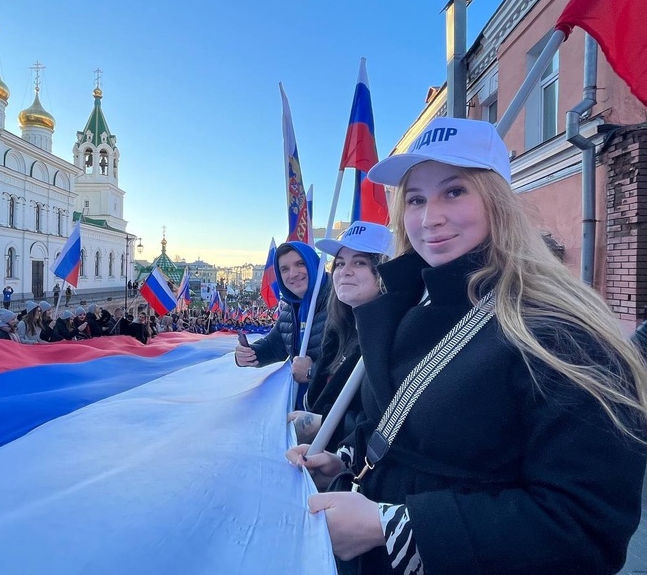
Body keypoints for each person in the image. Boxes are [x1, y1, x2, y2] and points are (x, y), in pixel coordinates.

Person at [288, 117, 647, 575]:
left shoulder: (559, 332)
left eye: (454, 192)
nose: (429, 216)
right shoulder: (414, 305)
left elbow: (584, 527)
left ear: (497, 202)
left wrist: (391, 526)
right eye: (416, 199)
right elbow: (401, 427)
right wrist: (343, 462)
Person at [287, 221, 394, 446]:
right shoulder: (337, 334)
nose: (345, 271)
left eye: (359, 262)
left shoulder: (394, 340)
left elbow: (389, 421)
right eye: (340, 263)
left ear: (384, 271)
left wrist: (324, 425)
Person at [234, 241, 330, 410]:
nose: (292, 274)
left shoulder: (338, 303)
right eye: (284, 269)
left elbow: (351, 362)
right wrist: (248, 354)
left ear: (314, 264)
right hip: (301, 407)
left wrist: (312, 372)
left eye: (300, 264)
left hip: (332, 412)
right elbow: (273, 347)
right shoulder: (290, 309)